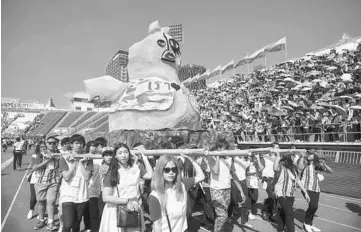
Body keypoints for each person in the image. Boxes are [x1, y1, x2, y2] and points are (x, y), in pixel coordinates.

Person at [99, 143, 153, 232]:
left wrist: (144, 158)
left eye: (126, 152)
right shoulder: (112, 173)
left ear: (129, 153)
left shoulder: (136, 168)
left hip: (133, 209)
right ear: (115, 156)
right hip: (115, 210)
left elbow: (150, 175)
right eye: (120, 153)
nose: (123, 155)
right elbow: (105, 197)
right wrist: (126, 201)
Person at [148, 154, 205, 232]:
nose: (171, 172)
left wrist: (190, 159)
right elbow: (157, 225)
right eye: (167, 170)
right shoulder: (155, 196)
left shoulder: (182, 184)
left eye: (174, 169)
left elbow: (201, 176)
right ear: (160, 171)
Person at [58, 134, 93, 232]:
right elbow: (66, 177)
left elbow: (87, 176)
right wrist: (73, 163)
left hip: (82, 195)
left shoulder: (88, 159)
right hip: (68, 195)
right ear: (72, 145)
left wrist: (81, 163)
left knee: (76, 224)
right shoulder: (64, 158)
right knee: (67, 224)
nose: (79, 145)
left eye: (81, 143)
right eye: (76, 143)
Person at [273, 150, 310, 232]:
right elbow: (275, 168)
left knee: (283, 213)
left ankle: (280, 229)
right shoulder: (282, 166)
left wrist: (305, 192)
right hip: (281, 194)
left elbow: (298, 180)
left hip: (291, 195)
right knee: (290, 213)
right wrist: (278, 156)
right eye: (292, 156)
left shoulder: (293, 168)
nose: (294, 157)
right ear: (288, 157)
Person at [298, 150, 334, 232]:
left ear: (315, 155)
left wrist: (325, 165)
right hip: (306, 188)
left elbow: (331, 171)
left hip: (316, 189)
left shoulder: (317, 164)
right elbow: (300, 167)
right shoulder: (305, 162)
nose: (309, 155)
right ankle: (306, 224)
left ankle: (310, 224)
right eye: (309, 153)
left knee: (314, 207)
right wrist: (302, 157)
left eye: (311, 154)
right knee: (313, 206)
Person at [33, 136, 61, 231]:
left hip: (53, 181)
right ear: (46, 144)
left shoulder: (58, 154)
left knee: (51, 201)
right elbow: (35, 167)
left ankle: (50, 222)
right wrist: (48, 160)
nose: (52, 144)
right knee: (41, 202)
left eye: (54, 143)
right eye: (50, 143)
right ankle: (41, 220)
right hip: (41, 181)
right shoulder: (40, 154)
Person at [26, 141, 46, 219]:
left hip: (45, 179)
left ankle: (41, 213)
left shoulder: (50, 155)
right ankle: (31, 210)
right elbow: (33, 166)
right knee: (33, 197)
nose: (43, 148)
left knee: (43, 198)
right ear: (38, 148)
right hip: (35, 178)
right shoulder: (35, 155)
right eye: (41, 147)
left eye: (44, 146)